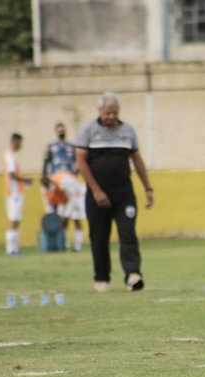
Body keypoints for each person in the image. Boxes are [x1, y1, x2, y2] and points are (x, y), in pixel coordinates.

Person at [75, 93, 154, 293]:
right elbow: (81, 162)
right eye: (107, 112)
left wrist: (148, 188)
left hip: (123, 192)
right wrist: (96, 191)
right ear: (99, 111)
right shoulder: (88, 130)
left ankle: (133, 275)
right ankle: (101, 278)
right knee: (99, 236)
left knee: (128, 233)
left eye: (114, 112)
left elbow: (137, 160)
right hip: (97, 193)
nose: (111, 116)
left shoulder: (128, 130)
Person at [41, 122, 84, 251]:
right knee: (55, 213)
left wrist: (75, 174)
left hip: (69, 181)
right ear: (56, 132)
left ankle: (74, 244)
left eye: (63, 130)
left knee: (72, 213)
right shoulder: (51, 146)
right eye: (59, 130)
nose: (61, 132)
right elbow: (46, 162)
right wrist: (44, 177)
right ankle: (59, 243)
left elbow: (79, 161)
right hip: (55, 180)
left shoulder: (72, 146)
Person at [2, 133, 33, 255]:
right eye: (20, 142)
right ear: (15, 141)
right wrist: (26, 180)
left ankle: (15, 248)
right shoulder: (9, 155)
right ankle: (11, 249)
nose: (21, 145)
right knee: (13, 220)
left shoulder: (12, 155)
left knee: (17, 220)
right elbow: (12, 174)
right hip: (13, 193)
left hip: (17, 193)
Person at [41, 171, 87, 249]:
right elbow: (49, 206)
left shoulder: (63, 182)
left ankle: (77, 246)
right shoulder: (44, 190)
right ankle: (63, 244)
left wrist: (66, 215)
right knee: (61, 223)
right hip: (63, 200)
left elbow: (73, 198)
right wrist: (52, 219)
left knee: (76, 219)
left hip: (77, 196)